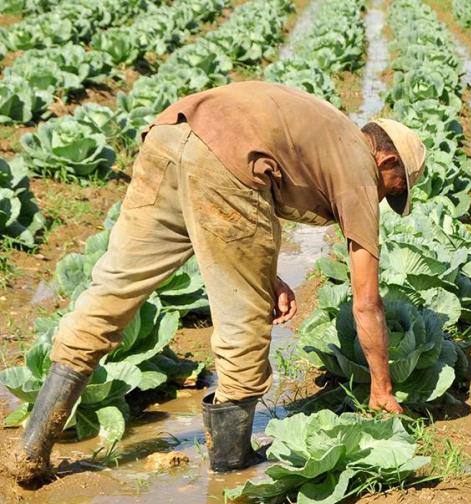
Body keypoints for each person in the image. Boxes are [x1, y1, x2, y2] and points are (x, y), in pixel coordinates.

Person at [11, 81, 426, 482]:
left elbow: (246, 194)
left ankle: (32, 448)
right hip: (226, 159)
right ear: (387, 162)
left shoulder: (330, 130)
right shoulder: (359, 166)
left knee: (112, 290)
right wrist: (381, 388)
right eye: (392, 191)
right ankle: (231, 465)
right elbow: (366, 301)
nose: (383, 200)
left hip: (170, 135)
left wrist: (265, 273)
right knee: (244, 323)